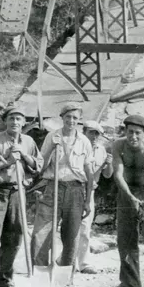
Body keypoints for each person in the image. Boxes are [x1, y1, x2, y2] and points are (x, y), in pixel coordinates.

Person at [0, 105, 40, 287]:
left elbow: (37, 165)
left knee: (15, 236)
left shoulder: (29, 141)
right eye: (11, 119)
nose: (15, 122)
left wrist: (23, 155)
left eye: (18, 119)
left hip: (18, 191)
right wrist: (8, 160)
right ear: (5, 121)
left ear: (23, 122)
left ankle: (4, 278)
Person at [34, 102, 95, 268]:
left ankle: (65, 272)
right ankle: (40, 271)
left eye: (75, 117)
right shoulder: (51, 136)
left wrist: (88, 200)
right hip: (54, 187)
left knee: (72, 234)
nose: (71, 120)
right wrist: (51, 149)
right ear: (62, 118)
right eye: (68, 116)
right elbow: (41, 165)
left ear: (79, 120)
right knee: (41, 233)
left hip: (76, 190)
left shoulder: (84, 141)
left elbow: (89, 173)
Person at [111, 114, 144, 287]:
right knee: (125, 238)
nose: (133, 137)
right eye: (130, 132)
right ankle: (130, 282)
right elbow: (117, 175)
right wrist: (130, 197)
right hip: (126, 191)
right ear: (125, 131)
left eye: (138, 133)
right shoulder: (118, 145)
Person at [73, 119, 113, 274]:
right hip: (75, 188)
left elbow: (107, 176)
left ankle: (83, 263)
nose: (94, 136)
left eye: (97, 134)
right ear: (84, 132)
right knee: (70, 227)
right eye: (91, 132)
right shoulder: (77, 147)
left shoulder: (101, 150)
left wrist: (108, 164)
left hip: (90, 192)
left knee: (85, 229)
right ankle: (67, 261)